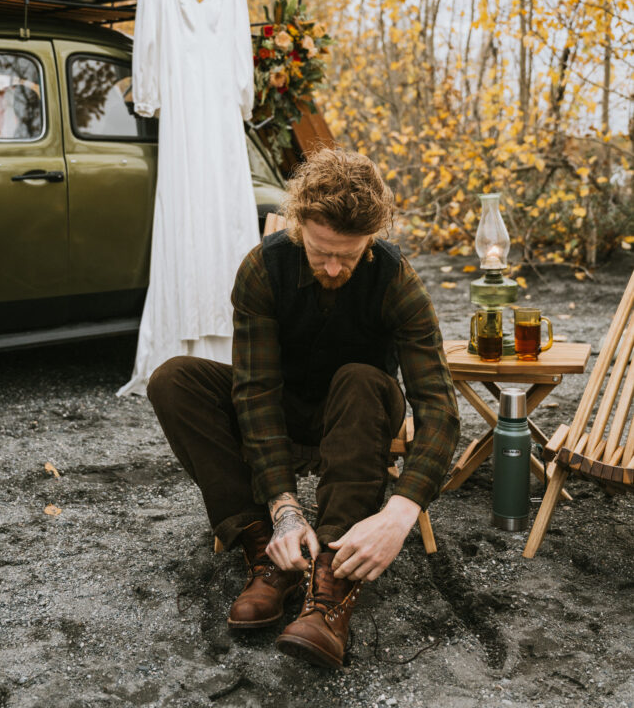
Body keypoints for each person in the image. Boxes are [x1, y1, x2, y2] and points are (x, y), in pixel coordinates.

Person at [147, 147, 460, 669]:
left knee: (360, 378)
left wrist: (402, 511)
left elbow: (439, 405)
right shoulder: (262, 268)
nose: (334, 266)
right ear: (298, 225)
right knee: (174, 378)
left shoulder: (397, 280)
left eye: (349, 254)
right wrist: (284, 508)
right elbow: (256, 389)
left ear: (371, 238)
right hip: (284, 409)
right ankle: (268, 554)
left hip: (359, 413)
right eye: (320, 251)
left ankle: (332, 577)